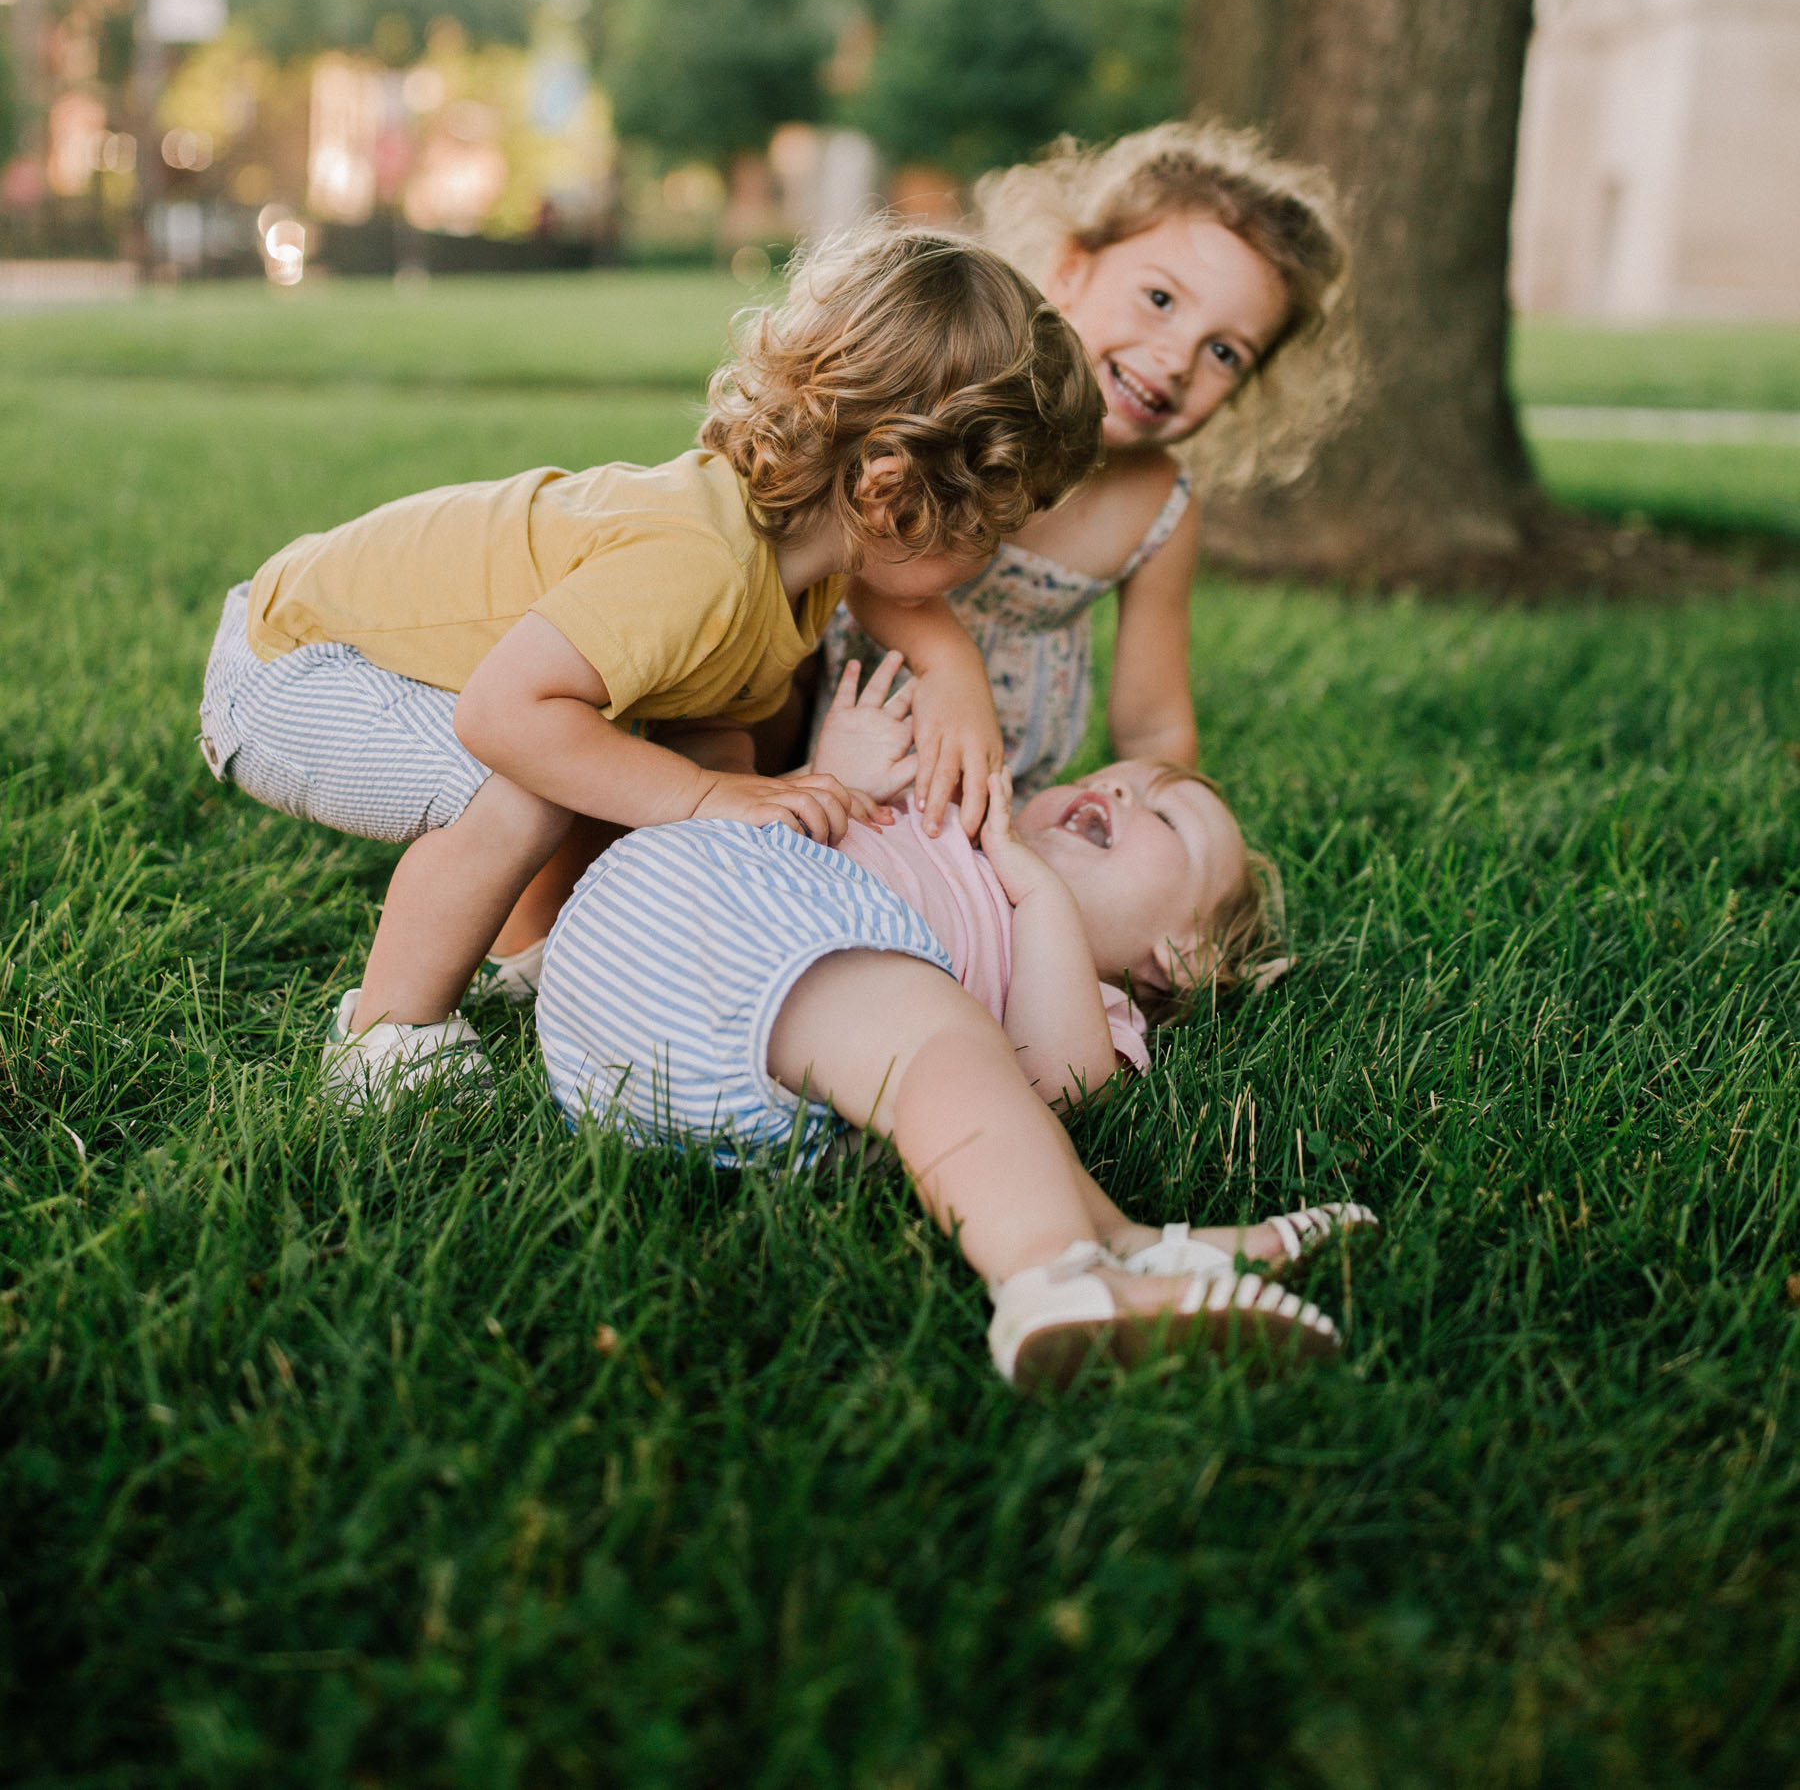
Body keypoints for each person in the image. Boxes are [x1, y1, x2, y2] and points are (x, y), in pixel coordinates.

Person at [197, 227, 1103, 1103]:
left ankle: (548, 954)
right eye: (989, 529)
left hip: (389, 666)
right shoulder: (696, 558)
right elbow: (502, 717)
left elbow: (713, 736)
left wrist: (754, 816)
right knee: (522, 779)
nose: (992, 557)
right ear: (890, 494)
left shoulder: (800, 573)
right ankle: (387, 1043)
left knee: (635, 773)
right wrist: (709, 798)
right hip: (291, 665)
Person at [537, 654, 1376, 1387]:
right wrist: (842, 781)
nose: (1117, 782)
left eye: (1164, 815)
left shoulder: (1102, 1005)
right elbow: (803, 835)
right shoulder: (938, 820)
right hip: (681, 904)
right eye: (1115, 774)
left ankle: (1127, 1245)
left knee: (941, 1049)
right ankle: (1054, 1271)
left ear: (1182, 957)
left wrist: (1037, 896)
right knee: (943, 1037)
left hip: (662, 1042)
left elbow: (1053, 1085)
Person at [810, 122, 1353, 792]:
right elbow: (863, 553)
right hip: (831, 714)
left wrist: (1171, 827)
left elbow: (1153, 726)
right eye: (1160, 300)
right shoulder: (973, 393)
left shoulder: (1158, 507)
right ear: (1071, 270)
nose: (1178, 358)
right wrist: (948, 663)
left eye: (1224, 352)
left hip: (1000, 787)